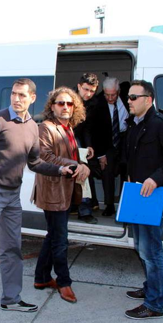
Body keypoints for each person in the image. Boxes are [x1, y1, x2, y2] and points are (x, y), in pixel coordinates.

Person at [0, 78, 76, 323]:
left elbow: (35, 163)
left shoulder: (33, 127)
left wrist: (61, 170)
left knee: (12, 248)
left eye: (22, 95)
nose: (16, 99)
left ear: (32, 98)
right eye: (14, 94)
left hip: (13, 194)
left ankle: (11, 298)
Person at [123, 80, 163, 319]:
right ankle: (151, 288)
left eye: (133, 97)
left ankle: (155, 304)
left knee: (152, 251)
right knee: (141, 247)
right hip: (137, 196)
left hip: (153, 197)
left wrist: (156, 178)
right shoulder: (135, 124)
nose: (128, 101)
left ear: (148, 100)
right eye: (128, 97)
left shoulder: (161, 125)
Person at [32, 87, 90, 304]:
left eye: (69, 104)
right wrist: (76, 164)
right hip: (52, 190)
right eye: (60, 103)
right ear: (52, 106)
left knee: (53, 235)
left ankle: (41, 278)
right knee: (60, 240)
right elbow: (44, 156)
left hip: (64, 190)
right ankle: (64, 282)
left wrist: (82, 157)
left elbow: (67, 154)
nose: (65, 107)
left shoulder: (68, 128)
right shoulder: (46, 127)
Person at [91, 77, 129, 217]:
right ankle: (109, 205)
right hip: (106, 142)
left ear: (118, 92)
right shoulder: (98, 104)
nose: (110, 98)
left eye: (113, 95)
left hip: (124, 140)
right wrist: (101, 155)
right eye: (107, 94)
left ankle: (126, 206)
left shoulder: (127, 99)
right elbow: (95, 132)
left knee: (127, 173)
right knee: (107, 173)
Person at [73, 73, 100, 224]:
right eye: (86, 89)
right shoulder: (66, 99)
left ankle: (84, 210)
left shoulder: (92, 103)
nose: (88, 94)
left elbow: (87, 128)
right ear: (78, 86)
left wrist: (88, 145)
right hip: (62, 138)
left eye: (92, 91)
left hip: (78, 138)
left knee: (83, 172)